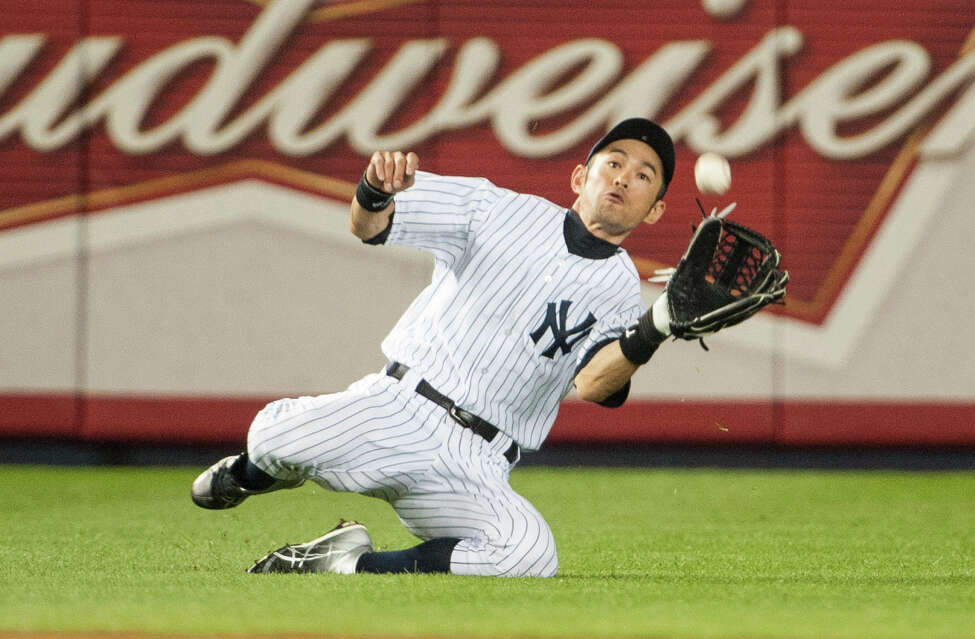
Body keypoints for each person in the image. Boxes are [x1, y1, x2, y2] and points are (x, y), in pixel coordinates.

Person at [192, 118, 681, 577]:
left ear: (655, 208)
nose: (622, 178)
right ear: (580, 177)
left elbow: (596, 384)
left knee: (530, 556)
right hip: (398, 407)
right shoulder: (495, 208)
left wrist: (656, 326)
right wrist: (375, 190)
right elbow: (369, 226)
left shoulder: (621, 290)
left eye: (643, 175)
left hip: (476, 461)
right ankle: (251, 473)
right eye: (613, 163)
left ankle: (344, 561)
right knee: (275, 439)